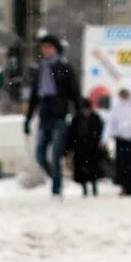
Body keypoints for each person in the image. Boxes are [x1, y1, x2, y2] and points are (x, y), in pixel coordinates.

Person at [24, 34, 81, 198]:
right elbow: (34, 96)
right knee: (40, 155)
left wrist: (78, 115)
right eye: (44, 47)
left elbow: (74, 93)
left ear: (55, 49)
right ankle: (56, 179)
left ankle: (56, 189)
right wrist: (28, 119)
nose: (46, 50)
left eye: (49, 47)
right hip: (44, 117)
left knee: (56, 154)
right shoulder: (40, 70)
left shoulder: (64, 68)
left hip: (60, 116)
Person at [64, 98, 104, 197]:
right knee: (81, 171)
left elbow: (100, 132)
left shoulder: (96, 118)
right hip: (80, 149)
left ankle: (94, 187)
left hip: (92, 149)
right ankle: (84, 188)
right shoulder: (76, 119)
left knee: (93, 170)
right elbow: (71, 135)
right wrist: (67, 149)